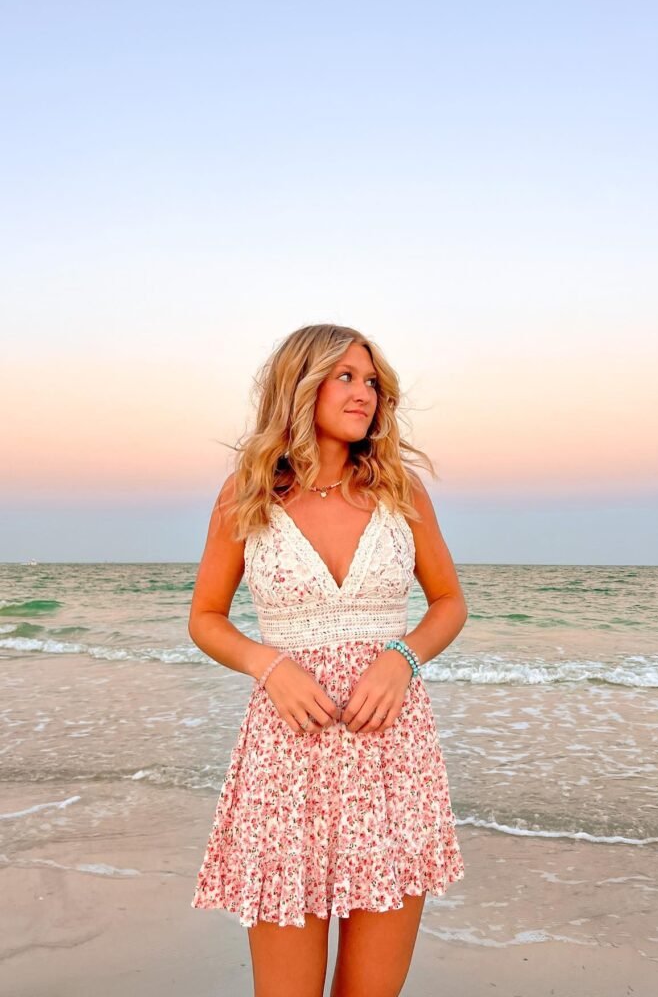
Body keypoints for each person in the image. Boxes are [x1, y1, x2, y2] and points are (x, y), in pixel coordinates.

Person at [189, 323, 467, 997]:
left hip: (392, 759)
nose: (363, 392)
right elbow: (205, 618)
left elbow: (449, 603)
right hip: (287, 761)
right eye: (344, 376)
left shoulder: (401, 492)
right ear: (300, 384)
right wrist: (269, 665)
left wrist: (402, 658)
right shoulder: (247, 493)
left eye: (371, 381)